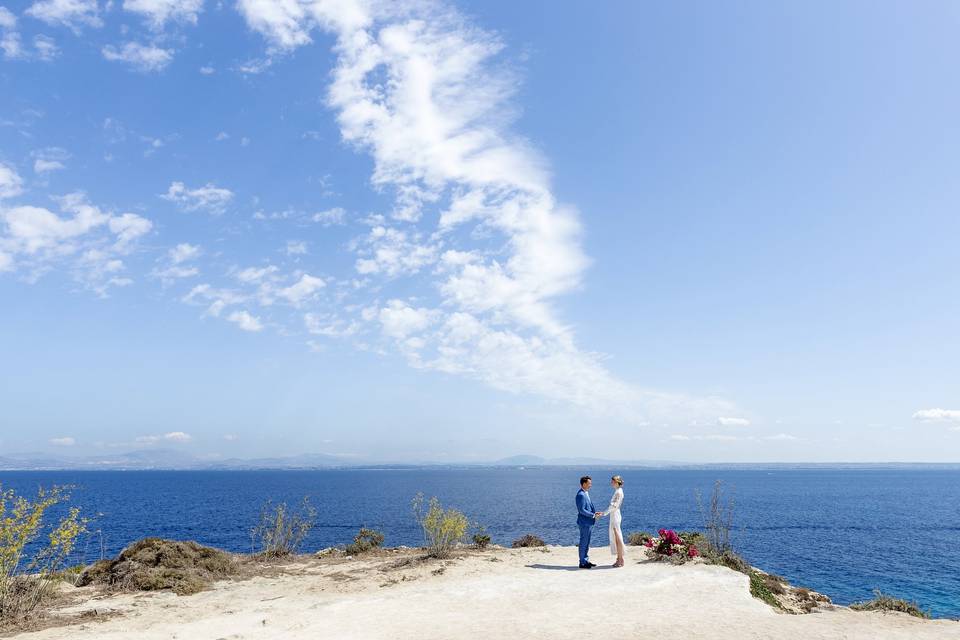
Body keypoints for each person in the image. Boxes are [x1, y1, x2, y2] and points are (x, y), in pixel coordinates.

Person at [575, 475, 601, 568]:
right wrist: (593, 515)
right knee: (583, 542)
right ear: (584, 483)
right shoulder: (581, 495)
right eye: (589, 483)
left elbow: (587, 508)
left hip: (588, 522)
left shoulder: (585, 493)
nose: (591, 485)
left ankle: (585, 560)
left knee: (587, 542)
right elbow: (581, 510)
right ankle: (582, 563)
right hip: (584, 523)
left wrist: (594, 513)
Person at [606, 475, 625, 567]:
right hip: (614, 515)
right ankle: (619, 558)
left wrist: (603, 513)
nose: (611, 483)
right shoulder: (618, 491)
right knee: (616, 537)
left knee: (618, 538)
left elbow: (614, 506)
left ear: (617, 482)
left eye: (613, 481)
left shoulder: (618, 492)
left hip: (615, 515)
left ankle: (620, 559)